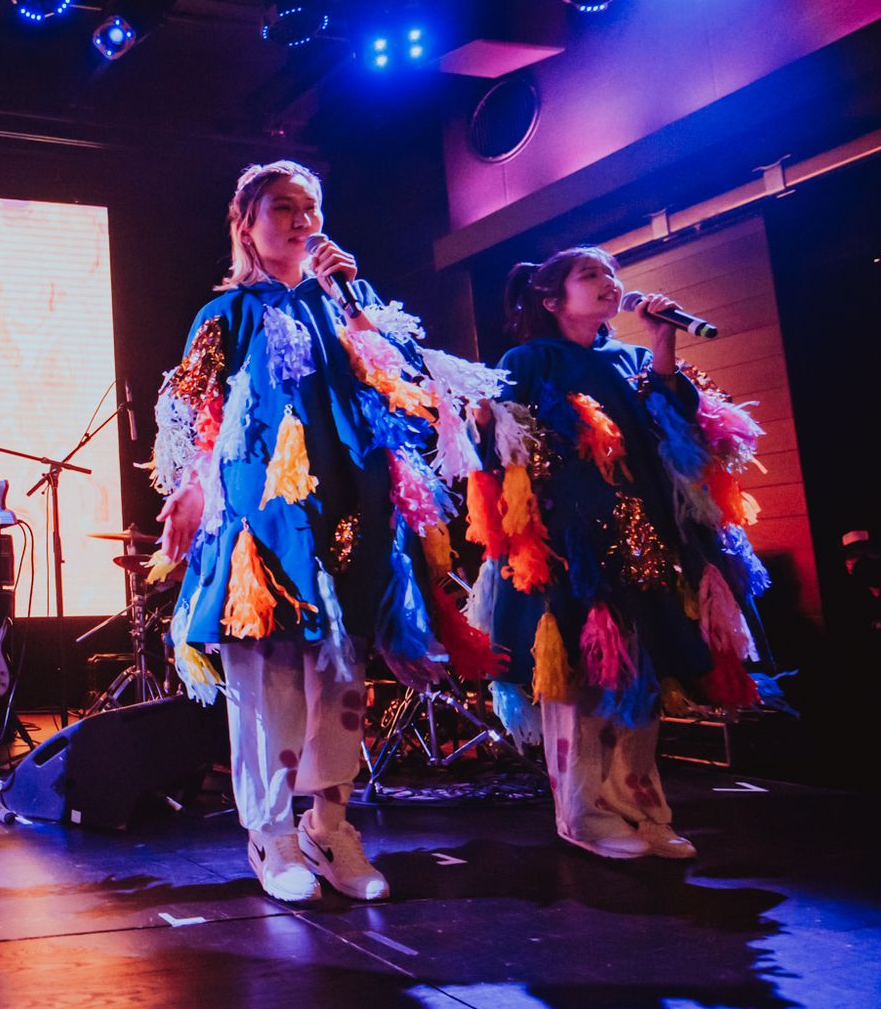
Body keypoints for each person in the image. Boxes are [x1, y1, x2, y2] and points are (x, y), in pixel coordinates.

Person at [151, 161, 503, 902]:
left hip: (351, 500)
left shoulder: (351, 299)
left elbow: (404, 390)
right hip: (264, 513)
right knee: (271, 677)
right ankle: (272, 834)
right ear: (247, 223)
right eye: (284, 207)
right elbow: (188, 408)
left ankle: (330, 827)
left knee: (342, 673)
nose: (303, 220)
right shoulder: (228, 313)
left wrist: (353, 304)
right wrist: (189, 487)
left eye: (311, 207)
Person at [473, 247, 770, 859]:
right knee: (582, 682)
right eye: (591, 275)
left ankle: (644, 809)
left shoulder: (634, 359)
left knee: (643, 676)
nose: (609, 282)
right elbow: (498, 447)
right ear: (552, 299)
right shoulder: (528, 360)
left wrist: (663, 344)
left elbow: (681, 430)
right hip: (568, 543)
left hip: (644, 536)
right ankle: (583, 817)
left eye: (612, 273)